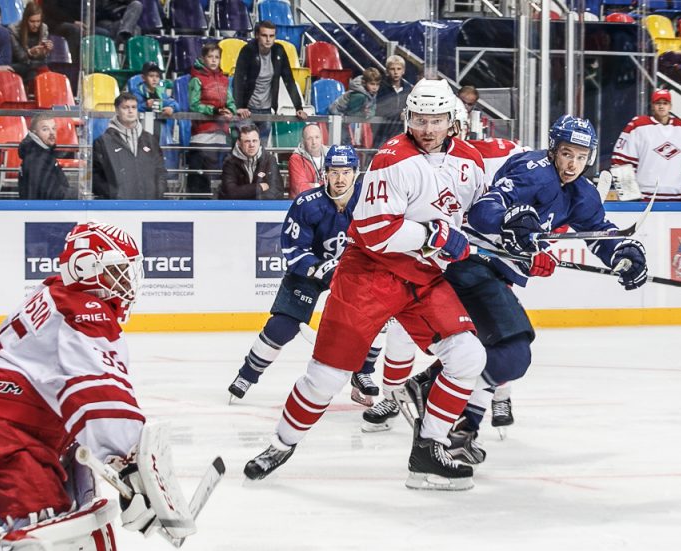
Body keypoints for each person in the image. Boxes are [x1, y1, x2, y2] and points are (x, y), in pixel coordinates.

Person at [0, 222, 202, 551]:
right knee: (46, 518)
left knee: (70, 491)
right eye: (116, 270)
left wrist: (121, 473)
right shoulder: (83, 309)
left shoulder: (56, 295)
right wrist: (129, 461)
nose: (126, 282)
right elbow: (96, 393)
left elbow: (69, 403)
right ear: (86, 268)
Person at [242, 79, 489, 491]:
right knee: (326, 377)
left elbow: (481, 206)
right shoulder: (392, 159)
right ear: (409, 118)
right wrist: (437, 235)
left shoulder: (469, 159)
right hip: (368, 275)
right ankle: (281, 444)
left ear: (453, 121)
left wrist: (516, 233)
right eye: (420, 119)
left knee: (467, 355)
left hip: (422, 277)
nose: (427, 128)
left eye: (437, 120)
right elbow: (375, 231)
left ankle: (429, 450)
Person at [373, 116, 650, 464]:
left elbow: (599, 232)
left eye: (581, 157)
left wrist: (622, 254)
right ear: (553, 150)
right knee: (513, 353)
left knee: (502, 355)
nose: (572, 164)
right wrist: (515, 225)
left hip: (496, 275)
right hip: (470, 265)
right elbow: (485, 210)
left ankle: (461, 428)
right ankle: (430, 388)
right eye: (566, 153)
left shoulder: (582, 193)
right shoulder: (533, 169)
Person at [362, 104, 523, 437]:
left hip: (474, 263)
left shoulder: (480, 158)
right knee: (402, 331)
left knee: (498, 330)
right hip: (431, 262)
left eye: (447, 124)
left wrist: (512, 239)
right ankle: (395, 395)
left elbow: (491, 210)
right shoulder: (414, 159)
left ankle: (501, 396)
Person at [228, 145, 380, 403]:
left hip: (353, 271)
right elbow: (294, 248)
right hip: (310, 271)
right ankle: (247, 374)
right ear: (326, 173)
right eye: (334, 172)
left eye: (346, 172)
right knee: (282, 325)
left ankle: (362, 374)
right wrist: (321, 268)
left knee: (375, 319)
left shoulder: (369, 202)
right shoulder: (307, 203)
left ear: (356, 172)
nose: (340, 179)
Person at [610, 89, 681, 201]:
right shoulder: (637, 126)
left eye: (665, 103)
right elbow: (621, 161)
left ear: (670, 106)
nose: (661, 106)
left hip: (676, 200)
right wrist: (629, 196)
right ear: (652, 105)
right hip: (644, 199)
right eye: (658, 103)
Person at [232, 20, 308, 142]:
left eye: (271, 36)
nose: (268, 39)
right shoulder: (247, 51)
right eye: (264, 35)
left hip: (267, 110)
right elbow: (238, 80)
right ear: (257, 35)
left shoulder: (279, 51)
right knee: (245, 149)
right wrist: (239, 107)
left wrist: (298, 107)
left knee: (261, 151)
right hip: (247, 110)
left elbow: (289, 79)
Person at [92, 93, 168, 199]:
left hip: (149, 206)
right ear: (117, 110)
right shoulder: (103, 142)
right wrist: (114, 195)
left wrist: (158, 194)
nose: (130, 111)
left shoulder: (150, 140)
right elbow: (96, 176)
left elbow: (160, 171)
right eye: (125, 107)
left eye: (134, 107)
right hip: (118, 208)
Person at [186, 42, 236, 197]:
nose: (214, 60)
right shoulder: (196, 79)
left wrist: (231, 110)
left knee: (220, 180)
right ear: (203, 58)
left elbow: (231, 101)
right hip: (201, 136)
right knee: (199, 183)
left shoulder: (224, 80)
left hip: (221, 136)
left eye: (217, 57)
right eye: (210, 57)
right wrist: (213, 110)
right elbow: (193, 105)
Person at [217, 124, 284, 200]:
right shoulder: (230, 161)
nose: (251, 145)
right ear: (239, 143)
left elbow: (276, 192)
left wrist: (244, 193)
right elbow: (231, 193)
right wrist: (259, 187)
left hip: (262, 209)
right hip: (236, 209)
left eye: (254, 141)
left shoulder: (269, 160)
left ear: (259, 141)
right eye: (247, 141)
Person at [18, 114, 75, 200]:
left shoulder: (43, 154)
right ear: (34, 132)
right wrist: (77, 193)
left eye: (53, 128)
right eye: (45, 129)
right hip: (42, 212)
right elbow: (52, 194)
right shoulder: (37, 158)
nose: (52, 132)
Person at [328, 67, 382, 147]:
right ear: (364, 83)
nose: (375, 87)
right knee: (342, 143)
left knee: (346, 142)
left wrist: (369, 114)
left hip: (345, 119)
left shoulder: (371, 93)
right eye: (372, 84)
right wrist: (364, 114)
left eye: (377, 84)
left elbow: (372, 107)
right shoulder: (359, 95)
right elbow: (351, 113)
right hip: (336, 115)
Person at [9, 2, 53, 89]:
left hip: (37, 64)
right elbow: (19, 56)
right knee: (33, 74)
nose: (36, 25)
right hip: (19, 65)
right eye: (32, 21)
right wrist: (30, 52)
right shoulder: (13, 29)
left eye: (38, 21)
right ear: (26, 20)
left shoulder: (44, 28)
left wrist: (45, 51)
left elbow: (42, 58)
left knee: (49, 79)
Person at [374, 55, 413, 142]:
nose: (396, 72)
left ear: (403, 71)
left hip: (402, 130)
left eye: (399, 69)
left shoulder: (408, 88)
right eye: (392, 69)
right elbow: (380, 108)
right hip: (383, 131)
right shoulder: (381, 87)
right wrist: (399, 114)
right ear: (387, 71)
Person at [287, 123, 326, 198]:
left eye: (317, 137)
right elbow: (300, 189)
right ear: (303, 141)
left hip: (324, 203)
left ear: (321, 138)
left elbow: (335, 186)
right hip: (302, 204)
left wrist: (313, 185)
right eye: (309, 138)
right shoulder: (296, 158)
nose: (314, 142)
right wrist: (323, 186)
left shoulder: (330, 156)